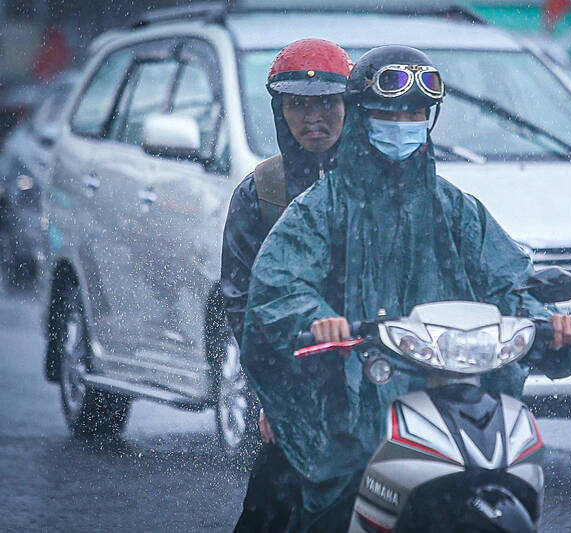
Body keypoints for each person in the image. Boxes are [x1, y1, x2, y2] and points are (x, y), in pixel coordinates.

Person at [240, 45, 571, 532]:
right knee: (325, 499)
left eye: (416, 113)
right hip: (348, 402)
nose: (403, 123)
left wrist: (547, 324)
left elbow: (506, 283)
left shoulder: (456, 208)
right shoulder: (320, 208)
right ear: (361, 117)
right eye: (389, 112)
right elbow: (278, 287)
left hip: (450, 393)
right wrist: (315, 319)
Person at [220, 38, 352, 533]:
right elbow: (241, 304)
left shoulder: (381, 184)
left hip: (377, 370)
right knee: (275, 505)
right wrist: (277, 397)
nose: (313, 117)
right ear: (280, 109)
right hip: (295, 387)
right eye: (298, 103)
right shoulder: (260, 193)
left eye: (327, 103)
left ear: (349, 106)